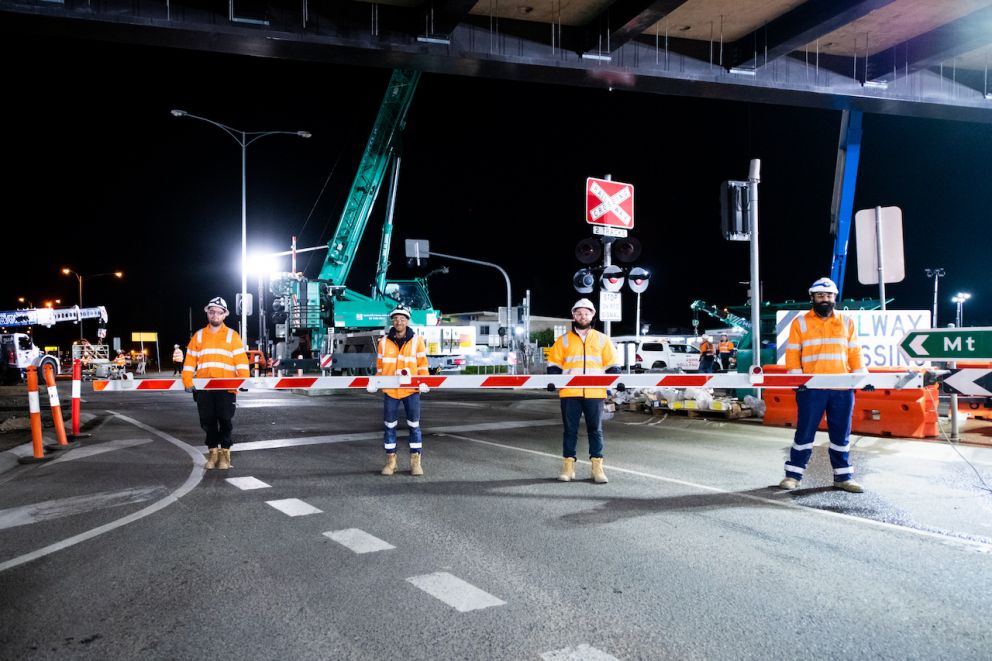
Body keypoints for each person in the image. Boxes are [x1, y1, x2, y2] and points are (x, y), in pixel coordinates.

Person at [778, 277, 866, 493]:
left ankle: (843, 477)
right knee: (805, 433)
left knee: (840, 435)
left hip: (842, 387)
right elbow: (793, 353)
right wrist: (798, 381)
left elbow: (854, 351)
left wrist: (860, 376)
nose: (825, 299)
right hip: (811, 388)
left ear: (834, 297)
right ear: (813, 298)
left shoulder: (847, 321)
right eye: (820, 296)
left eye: (829, 296)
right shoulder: (801, 322)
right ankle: (793, 475)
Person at [546, 298, 621, 484]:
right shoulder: (562, 341)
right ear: (573, 315)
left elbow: (613, 365)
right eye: (579, 313)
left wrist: (618, 381)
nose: (583, 316)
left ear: (592, 315)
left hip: (595, 393)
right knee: (570, 431)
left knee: (595, 430)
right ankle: (568, 468)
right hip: (570, 393)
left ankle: (597, 468)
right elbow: (553, 365)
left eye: (586, 313)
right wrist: (552, 379)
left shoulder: (603, 339)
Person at [182, 296, 250, 471]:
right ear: (207, 313)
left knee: (225, 420)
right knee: (207, 421)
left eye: (219, 312)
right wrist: (187, 380)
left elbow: (241, 360)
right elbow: (190, 361)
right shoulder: (198, 336)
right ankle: (213, 454)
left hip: (226, 387)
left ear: (224, 315)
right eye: (212, 312)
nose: (215, 315)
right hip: (204, 389)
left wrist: (243, 379)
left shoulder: (232, 335)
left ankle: (225, 454)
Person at [376, 305, 430, 476]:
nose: (398, 321)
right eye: (396, 318)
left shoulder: (417, 341)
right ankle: (391, 463)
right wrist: (378, 382)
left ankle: (415, 463)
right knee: (389, 426)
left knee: (414, 426)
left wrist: (423, 382)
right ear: (392, 321)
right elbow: (379, 365)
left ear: (407, 321)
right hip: (391, 390)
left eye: (402, 318)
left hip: (411, 390)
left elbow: (422, 364)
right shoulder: (383, 342)